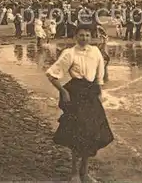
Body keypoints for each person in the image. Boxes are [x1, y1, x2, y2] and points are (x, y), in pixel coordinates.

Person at [45, 25, 114, 183]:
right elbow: (51, 74)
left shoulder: (95, 51)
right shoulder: (69, 53)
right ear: (75, 37)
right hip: (75, 93)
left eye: (87, 35)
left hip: (91, 94)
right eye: (81, 35)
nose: (84, 38)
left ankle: (85, 172)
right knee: (78, 133)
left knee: (92, 133)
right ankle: (74, 173)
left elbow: (100, 74)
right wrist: (63, 91)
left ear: (91, 37)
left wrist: (99, 91)